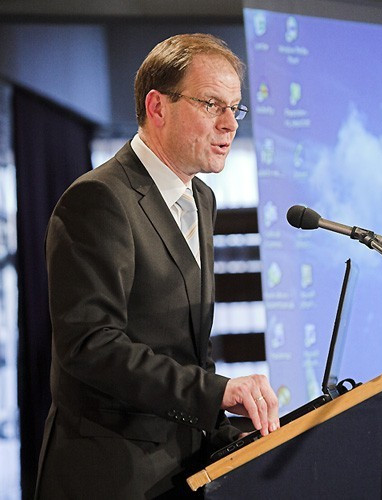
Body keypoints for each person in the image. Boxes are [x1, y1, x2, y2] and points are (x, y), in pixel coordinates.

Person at [35, 33, 279, 499]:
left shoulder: (201, 199)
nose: (230, 124)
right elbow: (90, 345)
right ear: (157, 106)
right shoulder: (99, 198)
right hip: (109, 475)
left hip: (182, 471)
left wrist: (227, 434)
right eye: (212, 104)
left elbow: (189, 349)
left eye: (235, 108)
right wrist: (215, 392)